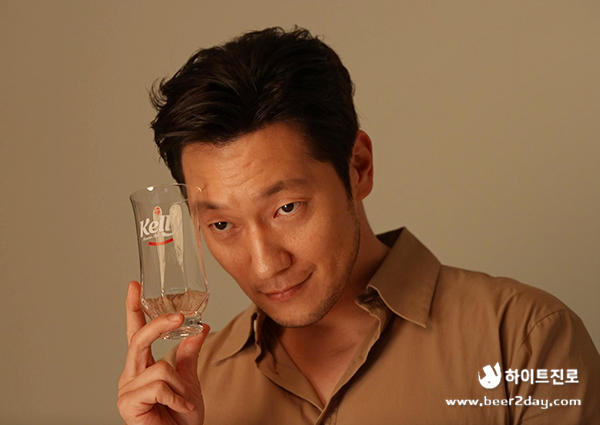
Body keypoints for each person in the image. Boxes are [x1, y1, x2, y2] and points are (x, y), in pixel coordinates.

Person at [117, 27, 600, 424]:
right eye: (222, 224)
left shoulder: (525, 339)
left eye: (287, 208)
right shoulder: (189, 386)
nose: (264, 265)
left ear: (359, 167)